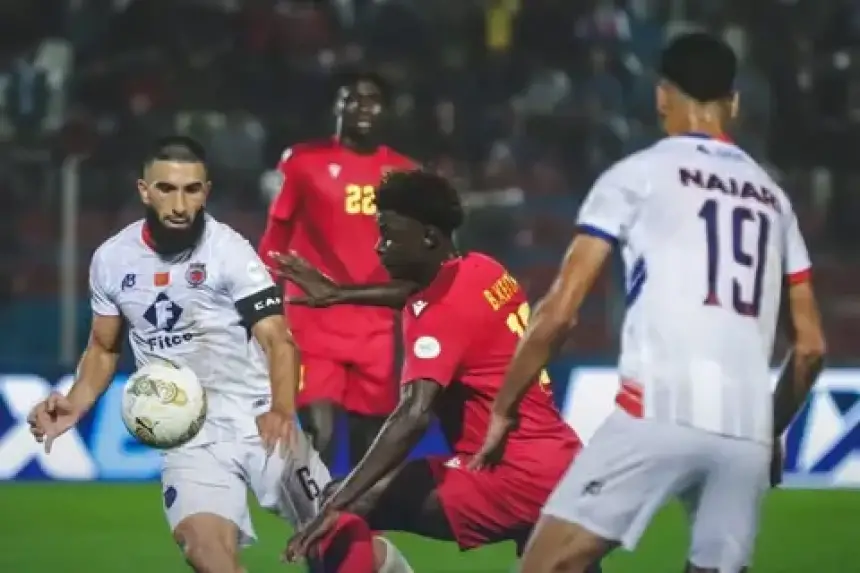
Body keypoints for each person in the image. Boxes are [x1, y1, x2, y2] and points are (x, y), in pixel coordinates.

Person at [472, 32, 827, 573]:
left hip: (657, 409)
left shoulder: (636, 176)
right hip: (745, 433)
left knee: (546, 566)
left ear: (662, 95)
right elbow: (810, 349)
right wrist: (769, 429)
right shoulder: (774, 201)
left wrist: (503, 409)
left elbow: (560, 311)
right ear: (734, 102)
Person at [26, 136, 412, 573]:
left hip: (260, 421)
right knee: (206, 553)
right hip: (188, 433)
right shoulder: (112, 260)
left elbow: (278, 339)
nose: (179, 204)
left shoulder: (230, 252)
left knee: (338, 546)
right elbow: (103, 347)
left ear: (205, 192)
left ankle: (393, 568)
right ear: (144, 191)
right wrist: (76, 402)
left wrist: (283, 410)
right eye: (167, 189)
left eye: (191, 190)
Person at [270, 170, 600, 572]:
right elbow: (418, 293)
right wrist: (339, 293)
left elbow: (414, 414)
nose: (379, 247)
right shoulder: (482, 268)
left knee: (339, 513)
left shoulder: (438, 314)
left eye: (389, 235)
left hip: (507, 477)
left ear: (427, 237)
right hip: (560, 465)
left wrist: (339, 502)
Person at [258, 70, 416, 469]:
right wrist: (260, 305)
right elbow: (276, 236)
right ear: (337, 107)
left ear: (386, 111)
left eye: (372, 100)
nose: (362, 106)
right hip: (313, 319)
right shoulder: (303, 163)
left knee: (369, 450)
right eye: (352, 98)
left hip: (377, 329)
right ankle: (313, 510)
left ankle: (353, 513)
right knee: (321, 435)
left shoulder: (405, 175)